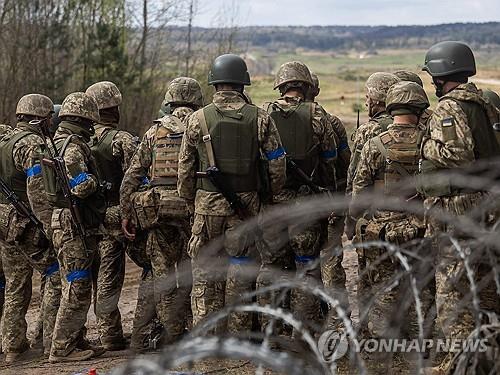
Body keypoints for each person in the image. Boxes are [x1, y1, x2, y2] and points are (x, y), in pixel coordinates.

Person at [177, 54, 286, 333]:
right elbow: (277, 162)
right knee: (240, 268)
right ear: (242, 84)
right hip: (246, 204)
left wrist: (191, 200)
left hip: (206, 205)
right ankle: (238, 335)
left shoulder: (196, 119)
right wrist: (269, 195)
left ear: (214, 82)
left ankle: (206, 334)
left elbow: (185, 168)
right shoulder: (260, 117)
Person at [419, 41, 500, 373]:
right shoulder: (487, 104)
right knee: (486, 286)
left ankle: (461, 363)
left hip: (459, 210)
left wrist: (426, 146)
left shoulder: (449, 107)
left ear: (442, 73)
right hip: (489, 206)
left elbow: (458, 154)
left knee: (453, 292)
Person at [120, 77, 203, 346]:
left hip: (159, 213)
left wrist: (126, 213)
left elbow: (132, 177)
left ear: (170, 100)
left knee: (163, 277)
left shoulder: (154, 133)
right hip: (194, 211)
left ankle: (173, 335)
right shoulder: (203, 125)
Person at [350, 81, 433, 340]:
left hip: (381, 228)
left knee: (384, 285)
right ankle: (421, 337)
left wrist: (356, 219)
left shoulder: (375, 144)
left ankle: (386, 341)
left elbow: (359, 190)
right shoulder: (428, 143)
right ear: (419, 107)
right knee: (422, 284)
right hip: (420, 227)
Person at [264, 61, 338, 330]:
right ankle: (303, 333)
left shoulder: (265, 113)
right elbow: (330, 159)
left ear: (281, 86)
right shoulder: (318, 114)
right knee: (306, 267)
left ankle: (271, 331)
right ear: (306, 87)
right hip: (307, 204)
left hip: (274, 206)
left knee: (272, 269)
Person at [42, 92, 106, 362]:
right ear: (84, 119)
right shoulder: (71, 146)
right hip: (71, 220)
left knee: (76, 281)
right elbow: (79, 186)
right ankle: (62, 348)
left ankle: (75, 341)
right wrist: (95, 181)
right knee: (77, 284)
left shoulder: (56, 141)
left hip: (63, 219)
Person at [0, 95, 61, 362]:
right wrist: (50, 226)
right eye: (49, 118)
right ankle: (49, 341)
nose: (51, 122)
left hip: (4, 223)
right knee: (56, 274)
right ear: (41, 118)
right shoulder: (31, 143)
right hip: (25, 222)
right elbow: (37, 190)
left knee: (16, 282)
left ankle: (13, 346)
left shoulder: (5, 141)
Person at [344, 72, 400, 337]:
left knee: (368, 274)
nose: (365, 102)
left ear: (377, 100)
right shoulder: (413, 126)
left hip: (374, 216)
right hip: (411, 214)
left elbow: (355, 177)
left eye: (367, 97)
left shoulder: (369, 130)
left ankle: (368, 331)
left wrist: (350, 219)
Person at [85, 81, 137, 350]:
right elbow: (135, 179)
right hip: (115, 216)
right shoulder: (122, 140)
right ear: (114, 109)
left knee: (85, 276)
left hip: (84, 219)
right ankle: (110, 334)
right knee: (109, 275)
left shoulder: (78, 139)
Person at [305, 72, 351, 330]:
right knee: (330, 262)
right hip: (329, 199)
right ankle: (338, 320)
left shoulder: (276, 117)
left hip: (292, 203)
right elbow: (344, 161)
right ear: (317, 91)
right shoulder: (331, 122)